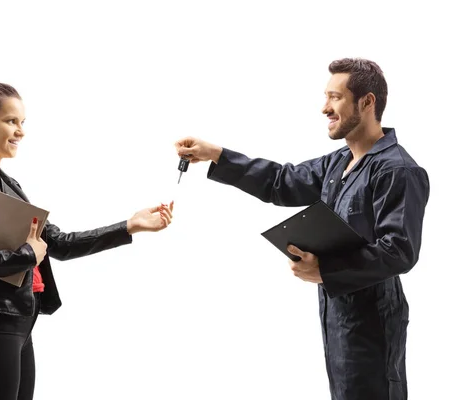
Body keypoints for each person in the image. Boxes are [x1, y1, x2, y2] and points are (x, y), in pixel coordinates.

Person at [174, 58, 429, 400]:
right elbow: (281, 182)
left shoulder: (397, 171)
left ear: (367, 103)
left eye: (335, 97)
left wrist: (326, 270)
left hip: (373, 320)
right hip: (338, 314)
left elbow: (398, 251)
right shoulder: (339, 162)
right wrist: (216, 154)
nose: (325, 107)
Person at [0, 82, 174, 400]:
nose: (20, 131)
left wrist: (130, 226)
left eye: (22, 123)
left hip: (19, 322)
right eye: (11, 121)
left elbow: (58, 244)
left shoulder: (9, 185)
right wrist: (23, 256)